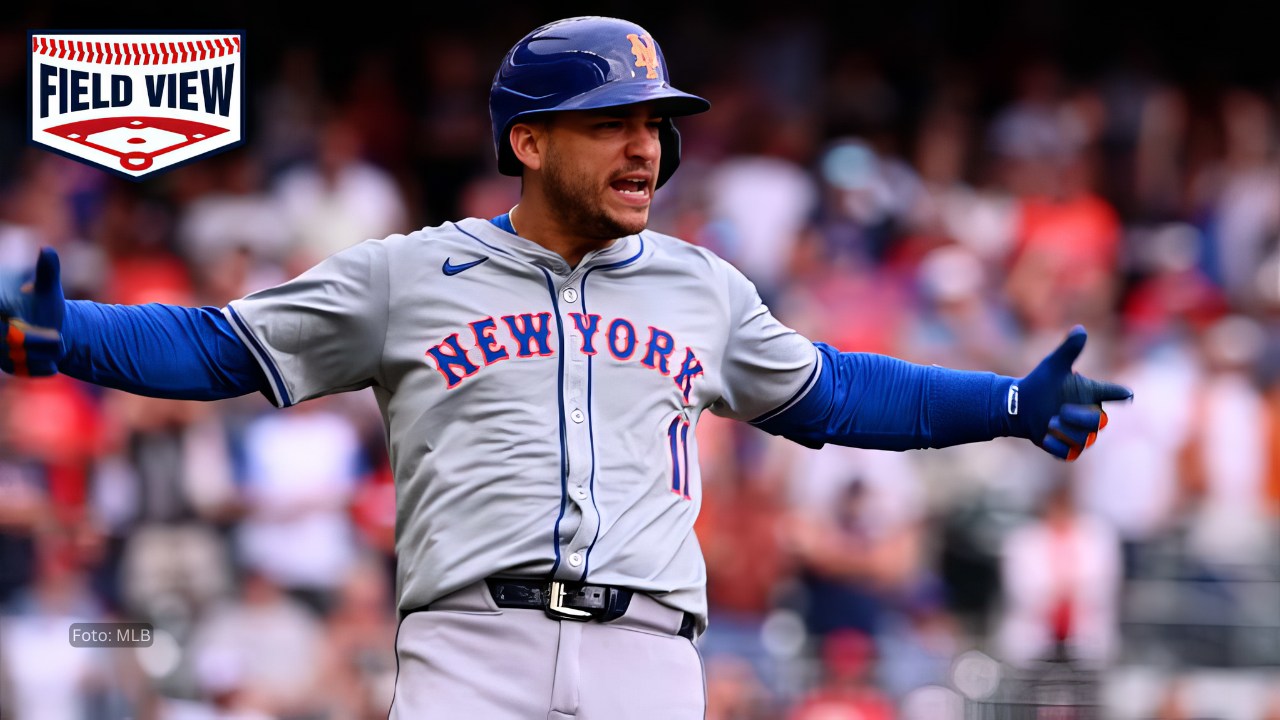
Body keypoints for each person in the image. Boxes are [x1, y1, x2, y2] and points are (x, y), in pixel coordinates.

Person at [0, 16, 1133, 720]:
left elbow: (831, 393)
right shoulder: (411, 271)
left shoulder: (702, 285)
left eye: (653, 121)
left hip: (647, 653)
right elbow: (219, 347)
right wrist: (75, 338)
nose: (646, 143)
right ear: (528, 142)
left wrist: (1003, 403)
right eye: (610, 121)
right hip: (466, 650)